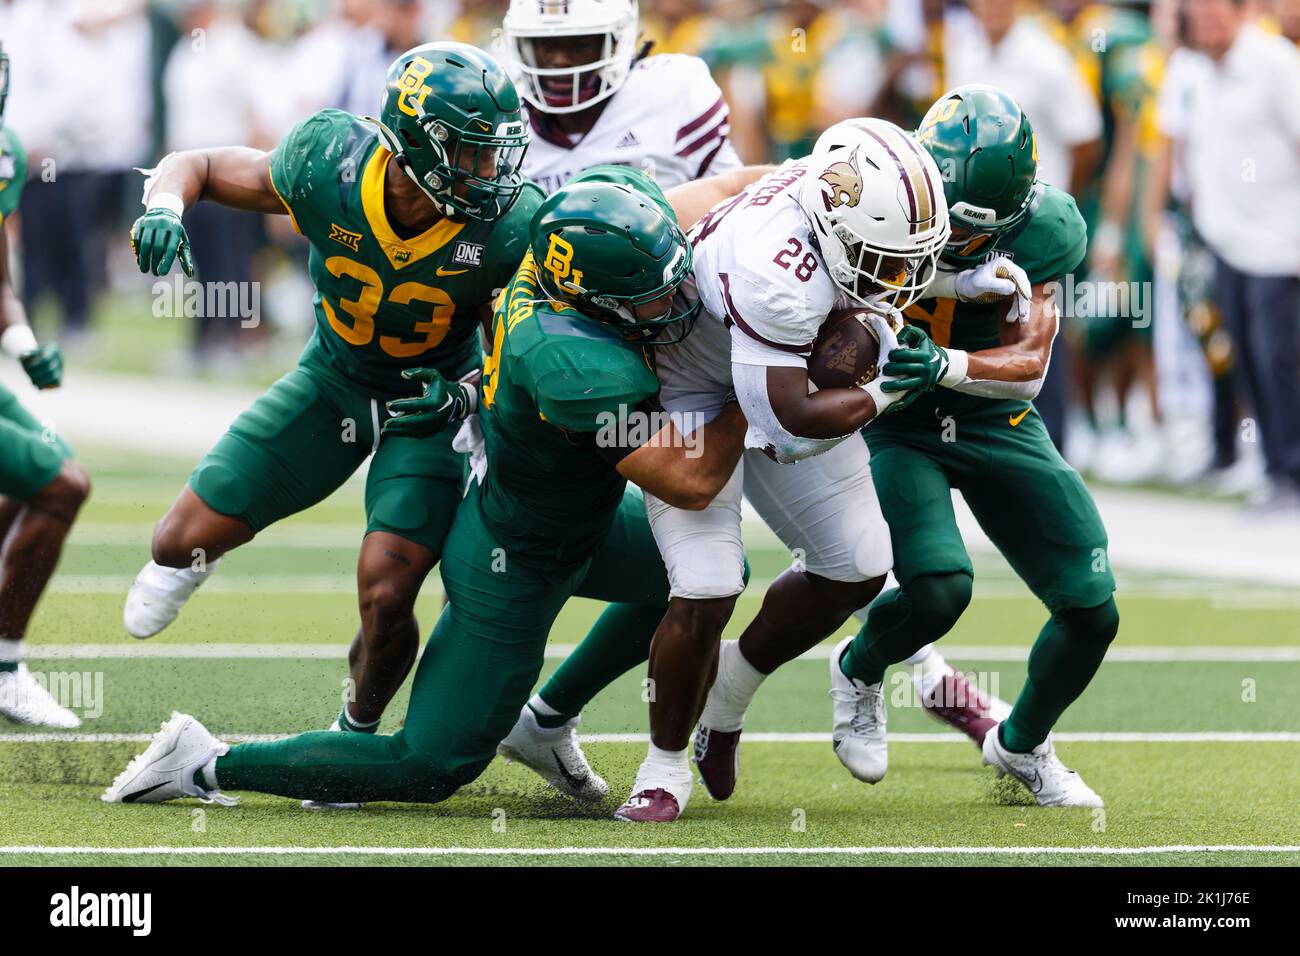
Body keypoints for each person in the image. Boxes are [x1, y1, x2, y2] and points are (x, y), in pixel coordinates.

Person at [101, 167, 757, 808]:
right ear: (595, 304)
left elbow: (721, 189)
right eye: (652, 295)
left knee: (700, 581)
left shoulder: (584, 234)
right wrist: (754, 379)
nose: (677, 302)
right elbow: (691, 478)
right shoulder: (571, 357)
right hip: (518, 557)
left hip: (584, 522)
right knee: (426, 764)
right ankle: (203, 763)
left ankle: (546, 720)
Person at [121, 43, 539, 750]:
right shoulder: (330, 164)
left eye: (495, 153)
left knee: (386, 590)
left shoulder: (508, 223)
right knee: (175, 543)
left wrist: (465, 399)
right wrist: (165, 206)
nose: (491, 173)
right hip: (332, 381)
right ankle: (212, 546)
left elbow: (516, 357)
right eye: (471, 154)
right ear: (413, 143)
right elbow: (196, 164)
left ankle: (354, 730)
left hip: (426, 402)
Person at [765, 88, 1116, 808]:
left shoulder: (1044, 230)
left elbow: (1029, 370)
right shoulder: (879, 181)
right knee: (939, 587)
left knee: (1091, 608)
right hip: (901, 416)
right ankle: (859, 669)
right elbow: (838, 285)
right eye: (944, 221)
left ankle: (1022, 747)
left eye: (969, 231)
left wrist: (949, 362)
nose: (950, 237)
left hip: (993, 417)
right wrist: (956, 282)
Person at [1155, 0, 1300, 512]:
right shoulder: (1194, 69)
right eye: (1200, 13)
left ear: (1241, 13)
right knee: (1243, 357)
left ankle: (1292, 470)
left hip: (1280, 241)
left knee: (1278, 357)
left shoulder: (1276, 64)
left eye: (1218, 12)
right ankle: (1274, 469)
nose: (1208, 23)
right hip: (1225, 240)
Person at [0, 44, 93, 728]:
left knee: (40, 475)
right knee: (63, 484)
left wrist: (23, 343)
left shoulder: (5, 151)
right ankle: (4, 667)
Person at [501, 0, 742, 194]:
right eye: (545, 44)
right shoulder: (504, 123)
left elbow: (736, 202)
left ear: (617, 42)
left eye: (580, 44)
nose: (560, 60)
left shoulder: (670, 91)